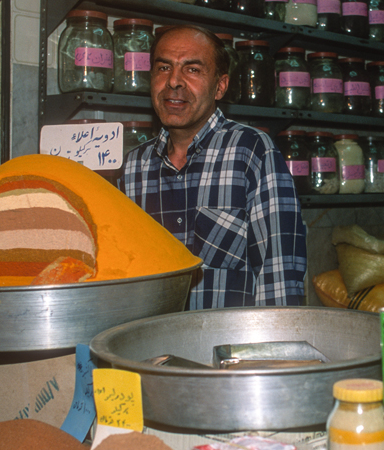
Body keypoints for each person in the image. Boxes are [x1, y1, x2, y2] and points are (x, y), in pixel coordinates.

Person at [122, 25, 307, 309]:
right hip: (154, 336)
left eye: (192, 70)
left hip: (229, 338)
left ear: (220, 86)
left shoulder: (251, 151)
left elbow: (279, 276)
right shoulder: (134, 166)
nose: (174, 81)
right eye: (163, 68)